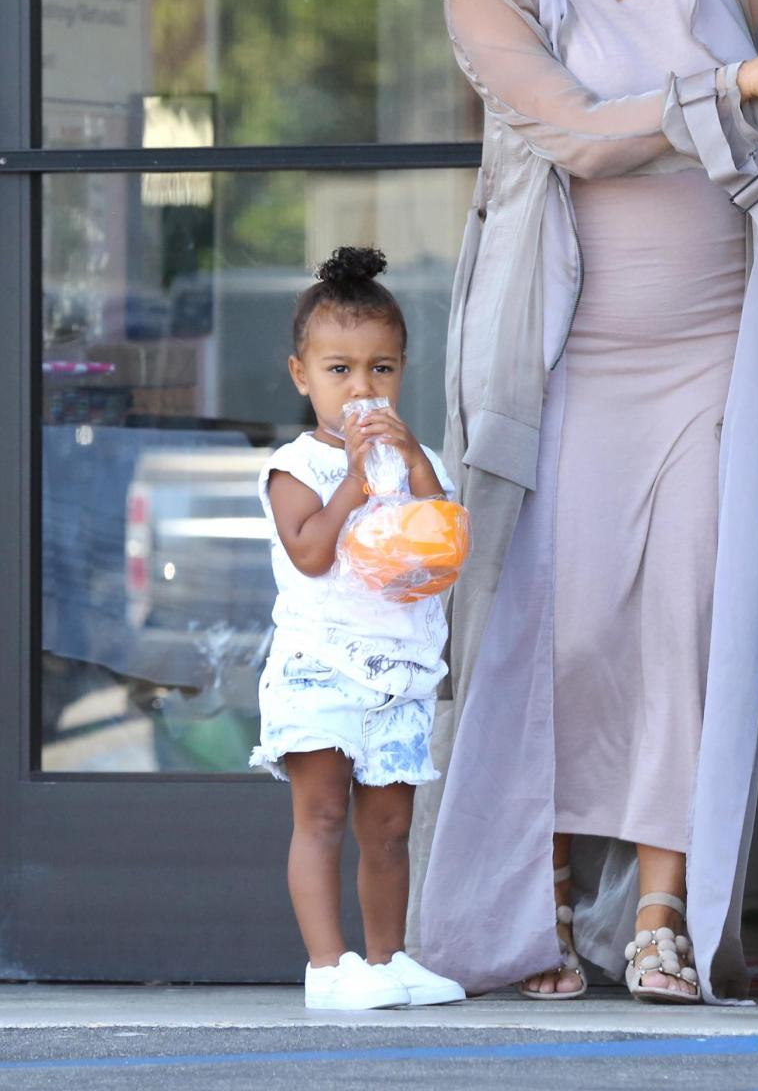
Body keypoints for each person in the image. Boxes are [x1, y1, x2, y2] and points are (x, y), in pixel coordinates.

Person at [411, 0, 758, 1004]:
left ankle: (662, 910)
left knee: (690, 620)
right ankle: (537, 896)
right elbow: (577, 135)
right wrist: (729, 85)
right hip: (567, 355)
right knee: (561, 625)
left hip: (723, 343)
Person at [250, 247, 465, 1012]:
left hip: (399, 676)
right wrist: (352, 478)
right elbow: (310, 553)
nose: (361, 388)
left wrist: (409, 463)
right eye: (338, 370)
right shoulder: (295, 467)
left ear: (402, 372)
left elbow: (443, 542)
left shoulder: (415, 459)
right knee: (322, 817)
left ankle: (388, 958)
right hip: (319, 671)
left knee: (391, 828)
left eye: (381, 369)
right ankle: (326, 967)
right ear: (301, 375)